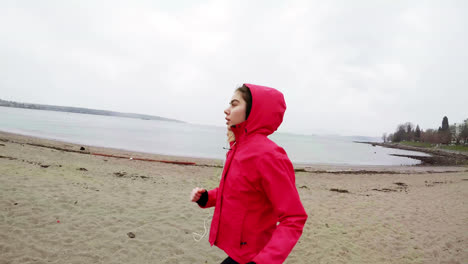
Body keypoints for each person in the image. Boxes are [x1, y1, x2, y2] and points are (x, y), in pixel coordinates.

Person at [190, 84, 307, 264]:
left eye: (234, 104)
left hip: (256, 256)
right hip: (240, 252)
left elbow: (294, 217)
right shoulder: (238, 148)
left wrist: (264, 261)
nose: (226, 110)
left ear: (254, 111)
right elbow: (237, 191)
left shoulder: (268, 155)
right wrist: (208, 197)